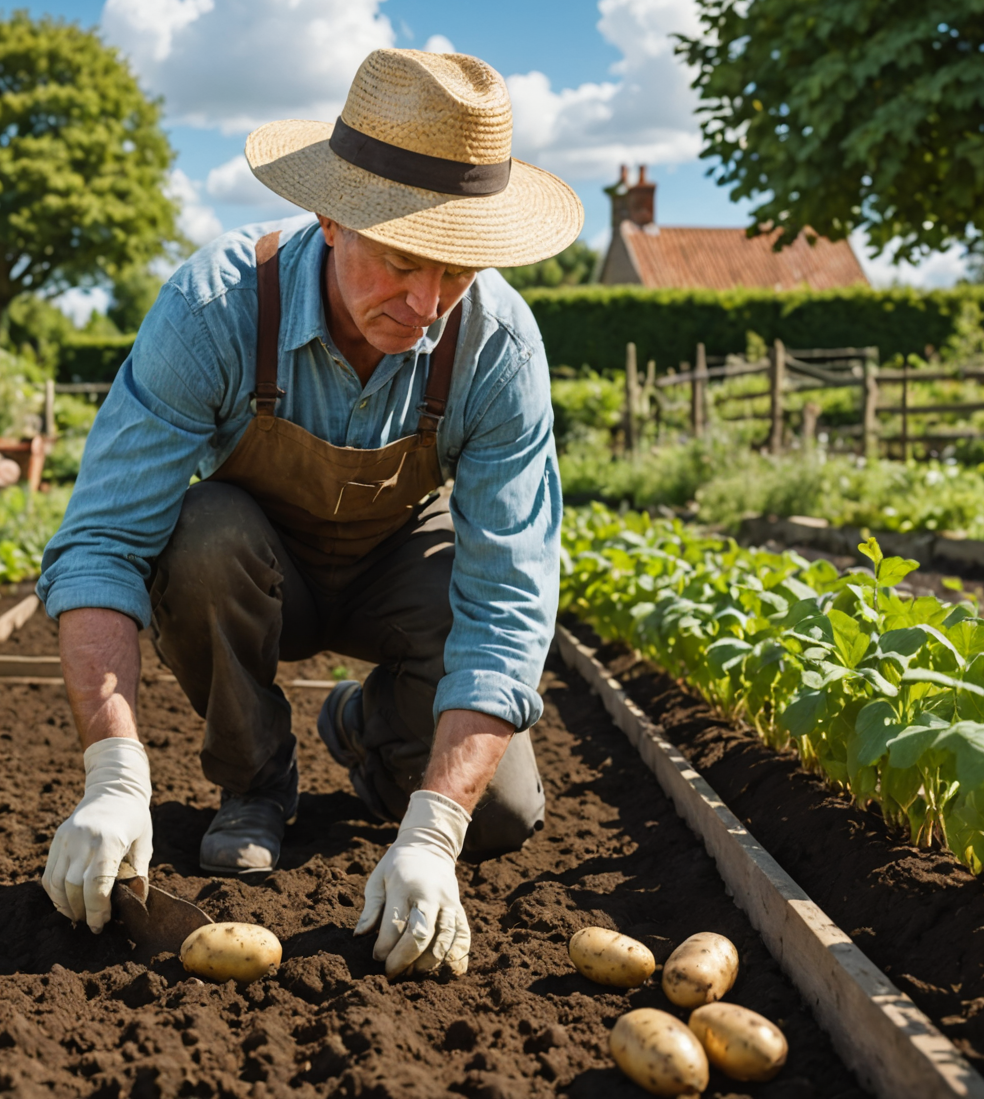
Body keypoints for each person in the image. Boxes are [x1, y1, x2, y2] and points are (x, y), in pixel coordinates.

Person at [35, 47, 578, 978]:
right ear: (331, 216)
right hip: (253, 565)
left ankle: (367, 729)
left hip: (399, 570)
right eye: (405, 262)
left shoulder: (498, 347)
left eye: (456, 274)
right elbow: (100, 545)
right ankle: (254, 784)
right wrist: (114, 776)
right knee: (200, 536)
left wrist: (437, 829)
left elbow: (510, 601)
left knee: (501, 817)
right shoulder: (215, 308)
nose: (428, 307)